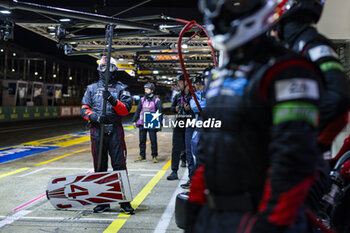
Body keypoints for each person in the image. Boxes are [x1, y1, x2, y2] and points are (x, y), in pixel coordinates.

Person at [186, 0, 324, 232]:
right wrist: (196, 204)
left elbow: (294, 160)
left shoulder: (288, 70)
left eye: (233, 3)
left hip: (261, 217)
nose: (221, 12)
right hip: (215, 216)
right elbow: (208, 149)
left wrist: (272, 223)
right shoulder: (222, 75)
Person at [274, 1, 350, 231]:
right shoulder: (291, 46)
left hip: (302, 169)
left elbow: (339, 98)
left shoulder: (308, 43)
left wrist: (304, 142)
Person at [81, 56, 135, 215]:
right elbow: (84, 109)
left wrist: (111, 99)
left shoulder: (122, 88)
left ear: (114, 70)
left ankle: (125, 202)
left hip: (115, 131)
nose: (106, 70)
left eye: (109, 67)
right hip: (97, 131)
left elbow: (125, 110)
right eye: (103, 67)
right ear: (99, 69)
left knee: (119, 166)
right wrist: (94, 117)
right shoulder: (91, 88)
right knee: (100, 167)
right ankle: (102, 202)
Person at [167, 74, 195, 181]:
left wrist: (190, 108)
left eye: (180, 82)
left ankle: (191, 176)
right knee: (176, 148)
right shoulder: (178, 96)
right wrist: (176, 108)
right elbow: (172, 108)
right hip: (179, 123)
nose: (178, 84)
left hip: (189, 123)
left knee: (189, 149)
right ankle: (174, 171)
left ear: (186, 82)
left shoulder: (193, 95)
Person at [132, 82, 162, 163]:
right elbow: (138, 110)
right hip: (142, 122)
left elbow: (159, 112)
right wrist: (134, 120)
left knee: (153, 140)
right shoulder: (142, 100)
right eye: (145, 89)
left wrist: (159, 124)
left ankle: (154, 156)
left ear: (152, 90)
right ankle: (142, 156)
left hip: (151, 122)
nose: (146, 90)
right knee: (142, 140)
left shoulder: (156, 100)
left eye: (147, 89)